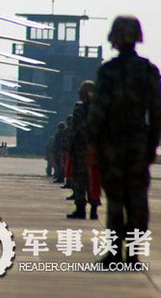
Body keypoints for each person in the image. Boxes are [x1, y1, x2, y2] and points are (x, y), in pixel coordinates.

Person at [87, 15, 161, 263]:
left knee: (116, 197)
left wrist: (93, 142)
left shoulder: (108, 71)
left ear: (114, 38)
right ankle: (134, 252)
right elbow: (156, 112)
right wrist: (152, 143)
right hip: (138, 142)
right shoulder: (149, 71)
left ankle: (115, 251)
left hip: (112, 142)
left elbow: (98, 111)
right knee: (138, 197)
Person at [66, 81, 95, 219]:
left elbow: (75, 131)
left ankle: (81, 209)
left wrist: (70, 149)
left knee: (80, 180)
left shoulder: (80, 110)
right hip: (96, 151)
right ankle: (94, 209)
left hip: (81, 151)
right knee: (94, 179)